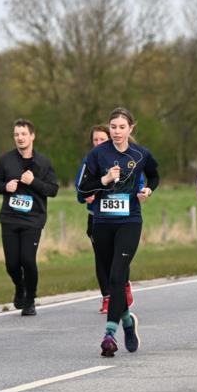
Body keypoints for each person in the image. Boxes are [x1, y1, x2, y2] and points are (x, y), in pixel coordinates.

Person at [77, 107, 159, 357]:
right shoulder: (97, 155)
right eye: (113, 127)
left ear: (131, 128)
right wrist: (103, 180)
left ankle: (109, 335)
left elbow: (154, 176)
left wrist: (148, 191)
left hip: (130, 221)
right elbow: (81, 189)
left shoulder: (141, 154)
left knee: (117, 276)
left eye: (122, 127)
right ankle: (128, 322)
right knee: (114, 279)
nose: (117, 132)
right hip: (102, 222)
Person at [0, 118, 59, 316]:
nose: (20, 138)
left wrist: (33, 181)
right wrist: (5, 187)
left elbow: (53, 190)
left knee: (27, 260)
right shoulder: (6, 160)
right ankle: (20, 287)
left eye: (23, 134)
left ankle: (30, 300)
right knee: (12, 264)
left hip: (33, 219)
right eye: (16, 134)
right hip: (10, 218)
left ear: (32, 136)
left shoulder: (43, 163)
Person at [77, 125, 134, 315]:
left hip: (120, 219)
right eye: (95, 140)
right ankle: (107, 298)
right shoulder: (89, 161)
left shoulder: (124, 158)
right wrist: (86, 197)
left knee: (119, 257)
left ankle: (124, 285)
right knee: (101, 259)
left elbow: (135, 183)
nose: (98, 143)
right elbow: (80, 190)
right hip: (96, 219)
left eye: (102, 139)